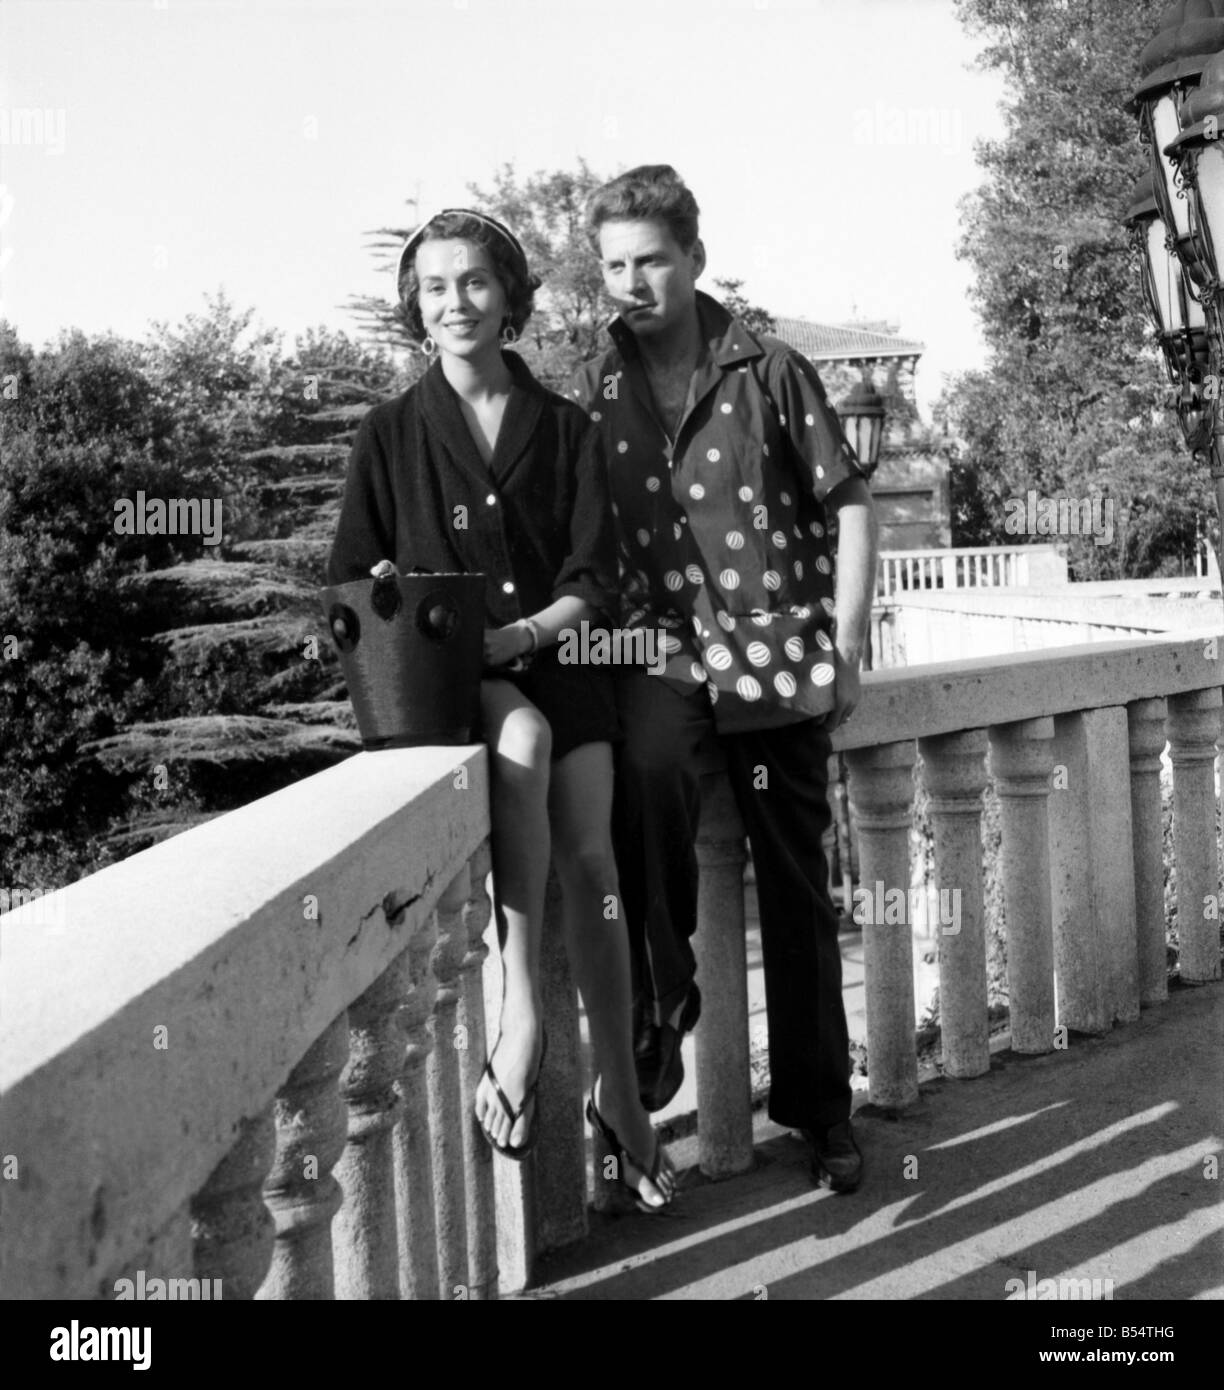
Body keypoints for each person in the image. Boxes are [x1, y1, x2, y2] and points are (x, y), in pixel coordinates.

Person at [327, 208, 675, 1210]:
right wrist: (399, 589)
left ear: (508, 295)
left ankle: (620, 1090)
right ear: (416, 307)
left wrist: (527, 637)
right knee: (519, 732)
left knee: (596, 861)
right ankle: (524, 1014)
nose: (455, 303)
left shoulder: (567, 429)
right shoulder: (391, 435)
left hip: (561, 660)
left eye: (474, 281)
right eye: (435, 287)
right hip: (454, 675)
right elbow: (355, 579)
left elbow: (595, 579)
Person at [566, 167, 879, 1191]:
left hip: (780, 655)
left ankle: (823, 1113)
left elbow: (851, 504)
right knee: (642, 789)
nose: (631, 282)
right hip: (663, 652)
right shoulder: (597, 389)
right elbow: (585, 542)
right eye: (613, 265)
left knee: (795, 887)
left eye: (650, 259)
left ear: (693, 257)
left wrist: (848, 641)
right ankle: (666, 1005)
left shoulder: (771, 367)